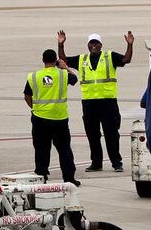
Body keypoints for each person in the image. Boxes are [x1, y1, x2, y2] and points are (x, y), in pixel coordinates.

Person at [57, 30, 134, 172]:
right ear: (88, 45)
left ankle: (116, 163)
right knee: (92, 135)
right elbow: (63, 62)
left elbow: (126, 60)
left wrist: (130, 45)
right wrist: (60, 45)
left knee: (111, 134)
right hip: (89, 103)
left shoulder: (110, 56)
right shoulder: (82, 59)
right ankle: (96, 163)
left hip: (108, 102)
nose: (93, 46)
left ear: (100, 45)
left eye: (96, 43)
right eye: (91, 43)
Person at [24, 49, 80, 186]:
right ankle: (69, 178)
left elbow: (27, 96)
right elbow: (75, 80)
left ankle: (42, 176)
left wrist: (35, 109)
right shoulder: (62, 75)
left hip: (40, 118)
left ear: (43, 60)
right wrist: (65, 67)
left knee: (41, 149)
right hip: (59, 118)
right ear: (56, 60)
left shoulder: (33, 76)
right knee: (64, 149)